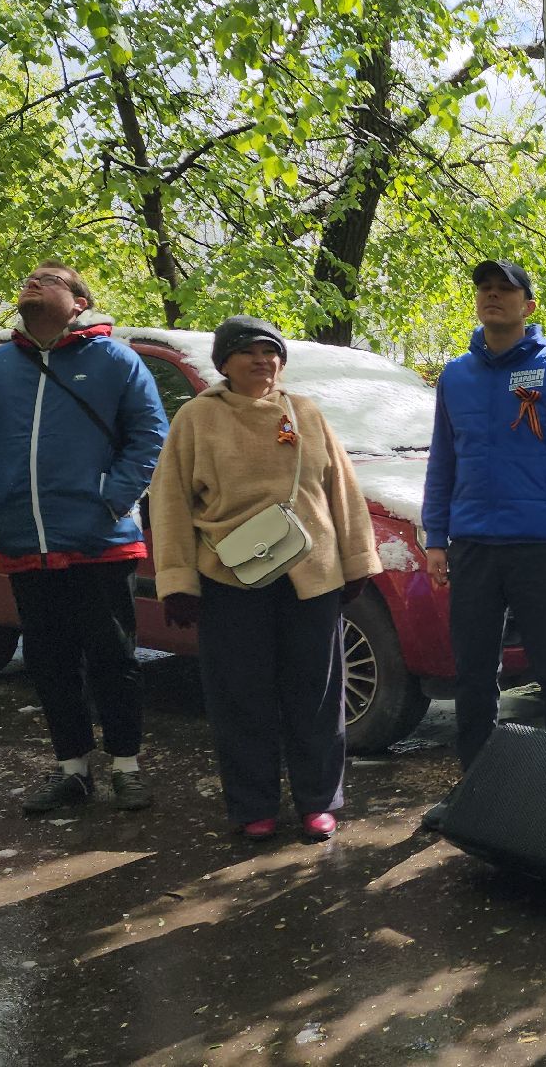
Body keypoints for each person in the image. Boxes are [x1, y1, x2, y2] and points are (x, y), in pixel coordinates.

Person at [148, 317, 381, 841]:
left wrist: (356, 562)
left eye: (271, 351)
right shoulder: (196, 419)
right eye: (248, 351)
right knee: (241, 698)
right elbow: (170, 502)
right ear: (223, 362)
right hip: (230, 577)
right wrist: (178, 580)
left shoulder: (306, 413)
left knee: (317, 696)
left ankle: (318, 801)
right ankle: (253, 805)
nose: (262, 359)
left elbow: (341, 489)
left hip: (311, 575)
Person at [0, 262, 167, 815]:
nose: (32, 282)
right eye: (29, 277)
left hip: (101, 541)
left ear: (79, 302)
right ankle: (72, 771)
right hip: (24, 543)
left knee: (113, 658)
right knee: (49, 661)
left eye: (49, 279)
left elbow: (149, 435)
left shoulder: (117, 360)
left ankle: (126, 767)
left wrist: (112, 498)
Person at [420, 260, 546, 823]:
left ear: (528, 306)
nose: (493, 297)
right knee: (474, 674)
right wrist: (435, 536)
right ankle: (476, 789)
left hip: (542, 550)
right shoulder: (455, 377)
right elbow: (442, 461)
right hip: (473, 547)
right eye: (485, 289)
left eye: (506, 290)